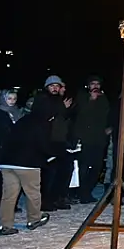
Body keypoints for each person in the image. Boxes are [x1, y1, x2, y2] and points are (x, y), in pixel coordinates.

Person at [0, 107, 50, 235]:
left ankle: (5, 225)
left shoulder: (21, 122)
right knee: (33, 192)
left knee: (8, 195)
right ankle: (34, 219)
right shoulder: (40, 124)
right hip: (27, 163)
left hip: (7, 162)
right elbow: (43, 144)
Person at [35, 74, 75, 211]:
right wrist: (61, 107)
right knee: (49, 172)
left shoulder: (59, 100)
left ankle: (58, 198)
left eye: (57, 86)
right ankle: (45, 201)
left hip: (60, 141)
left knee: (65, 169)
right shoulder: (42, 99)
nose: (55, 88)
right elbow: (45, 116)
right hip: (47, 141)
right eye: (52, 86)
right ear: (47, 87)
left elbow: (64, 119)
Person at [72, 76, 113, 203]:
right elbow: (79, 115)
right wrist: (91, 100)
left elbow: (108, 115)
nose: (95, 86)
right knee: (83, 167)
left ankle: (87, 192)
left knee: (97, 167)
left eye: (97, 84)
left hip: (99, 139)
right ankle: (79, 192)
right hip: (85, 138)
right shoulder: (81, 97)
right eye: (92, 84)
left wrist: (109, 127)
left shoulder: (104, 99)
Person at [0, 90, 24, 214]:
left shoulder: (16, 112)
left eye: (14, 99)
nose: (12, 101)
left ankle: (12, 205)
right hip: (1, 151)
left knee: (13, 180)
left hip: (14, 150)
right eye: (9, 98)